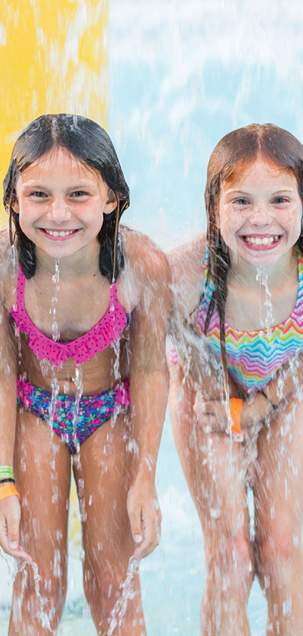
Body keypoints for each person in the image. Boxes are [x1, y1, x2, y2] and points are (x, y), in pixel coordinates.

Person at [0, 114, 170, 635]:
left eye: (78, 194)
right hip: (36, 411)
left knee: (114, 582)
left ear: (111, 198)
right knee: (40, 582)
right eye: (39, 194)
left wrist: (145, 478)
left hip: (109, 412)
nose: (58, 214)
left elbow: (150, 371)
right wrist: (2, 483)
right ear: (14, 198)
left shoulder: (141, 264)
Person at [170, 123, 303, 636]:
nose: (261, 219)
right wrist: (216, 392)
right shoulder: (185, 273)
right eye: (241, 201)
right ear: (214, 207)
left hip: (286, 393)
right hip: (206, 394)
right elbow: (169, 330)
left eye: (280, 200)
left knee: (282, 548)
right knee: (230, 552)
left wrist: (263, 404)